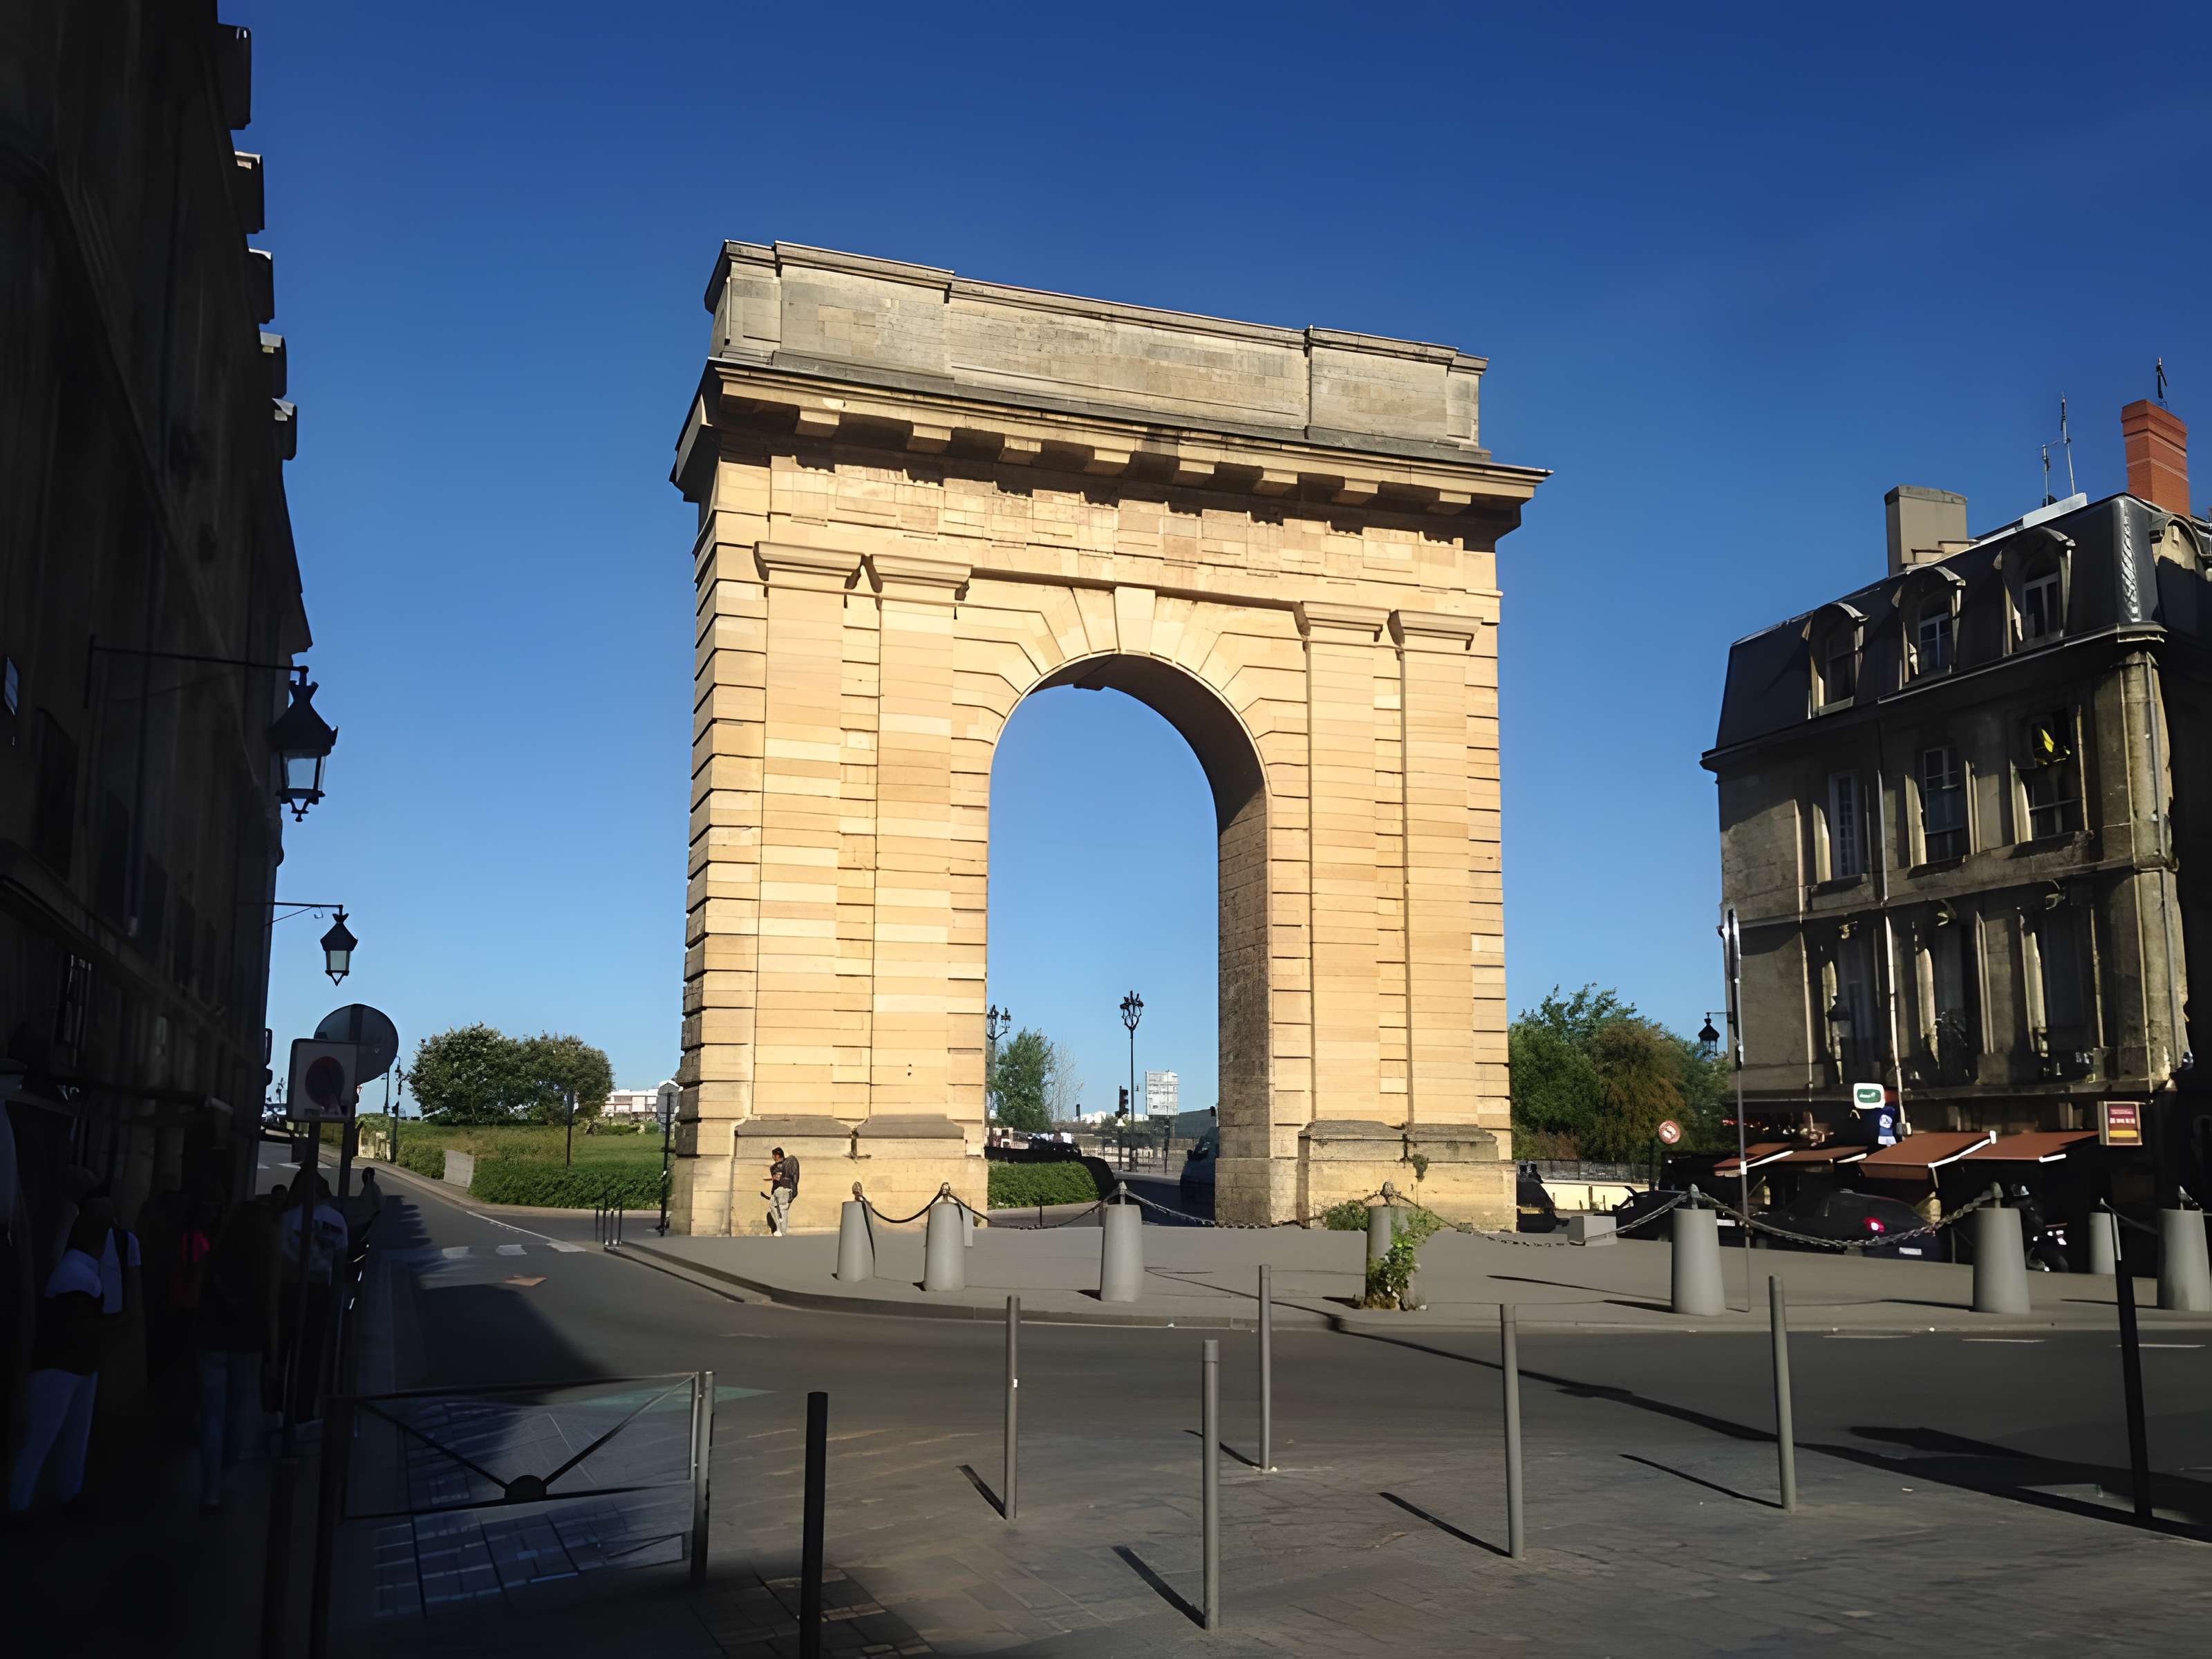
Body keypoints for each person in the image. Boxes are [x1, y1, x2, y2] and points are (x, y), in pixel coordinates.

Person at [8, 1210, 109, 1512]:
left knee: (51, 1439)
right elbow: (75, 1323)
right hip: (65, 1365)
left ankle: (30, 1501)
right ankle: (21, 1503)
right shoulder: (78, 1273)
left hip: (69, 1365)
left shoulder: (73, 1269)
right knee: (45, 1440)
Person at [193, 1202, 278, 1510]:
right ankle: (226, 1470)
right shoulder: (265, 1260)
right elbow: (271, 1309)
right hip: (248, 1341)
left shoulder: (214, 1255)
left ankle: (210, 1489)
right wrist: (274, 1352)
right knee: (239, 1411)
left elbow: (197, 1293)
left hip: (212, 1338)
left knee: (212, 1414)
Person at [767, 1146, 798, 1236]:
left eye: (774, 1156)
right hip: (778, 1191)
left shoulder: (788, 1163)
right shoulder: (773, 1167)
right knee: (773, 1209)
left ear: (777, 1156)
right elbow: (775, 1181)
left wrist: (794, 1190)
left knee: (783, 1209)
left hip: (785, 1190)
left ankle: (783, 1231)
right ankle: (780, 1229)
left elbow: (793, 1177)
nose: (773, 1157)